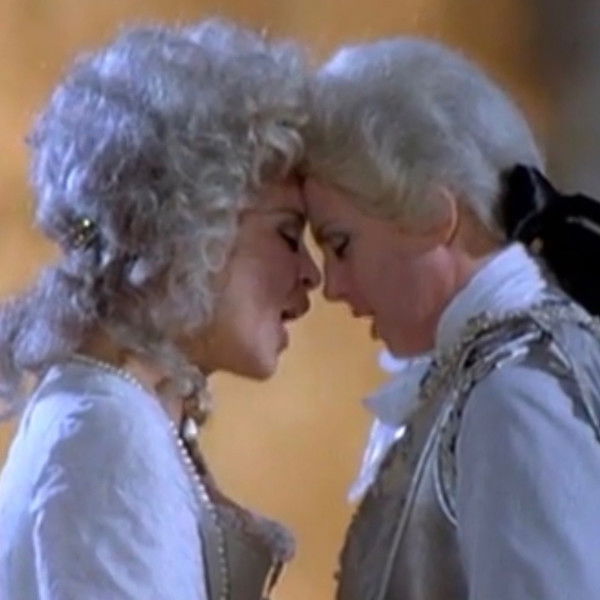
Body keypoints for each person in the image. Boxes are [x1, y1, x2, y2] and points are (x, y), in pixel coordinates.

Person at [0, 18, 320, 600]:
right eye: (288, 234)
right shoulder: (108, 437)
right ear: (192, 223)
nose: (311, 275)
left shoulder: (108, 414)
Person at [303, 36, 600, 600]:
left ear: (436, 216)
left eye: (341, 245)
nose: (333, 287)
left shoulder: (514, 389)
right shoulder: (492, 370)